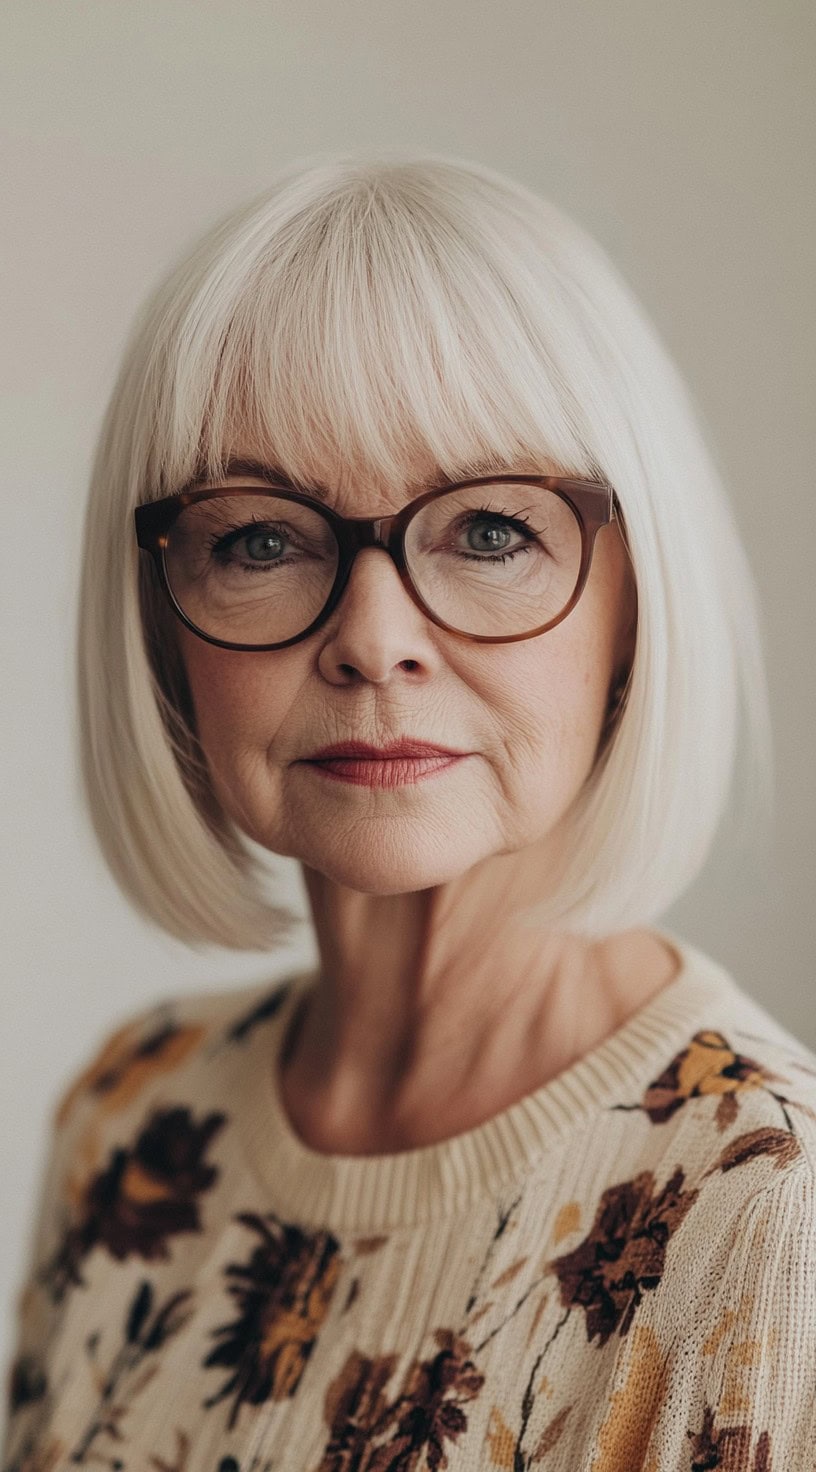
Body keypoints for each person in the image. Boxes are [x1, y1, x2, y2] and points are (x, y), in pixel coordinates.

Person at [4, 151, 814, 1472]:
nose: (376, 644)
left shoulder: (768, 1216)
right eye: (261, 537)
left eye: (492, 531)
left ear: (636, 606)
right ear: (165, 629)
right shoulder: (132, 1123)